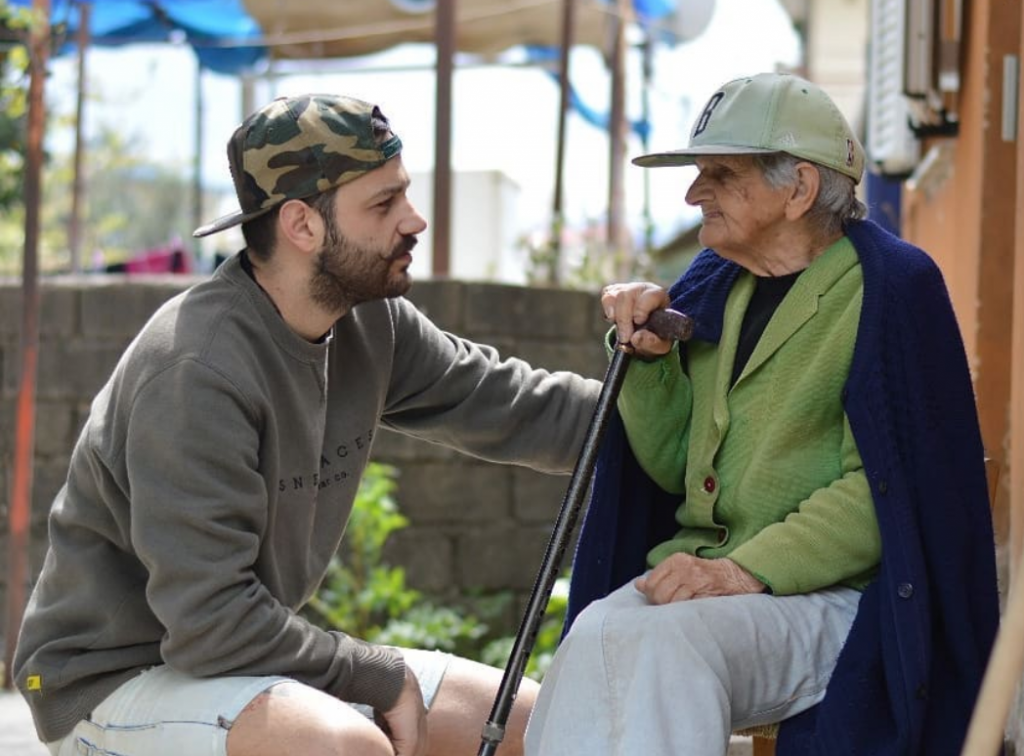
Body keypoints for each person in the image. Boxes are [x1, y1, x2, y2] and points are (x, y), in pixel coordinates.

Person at [13, 94, 602, 756]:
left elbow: (521, 405)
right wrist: (375, 673)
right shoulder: (196, 368)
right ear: (302, 225)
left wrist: (677, 401)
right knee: (345, 749)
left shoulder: (370, 321)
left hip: (236, 664)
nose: (414, 220)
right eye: (383, 205)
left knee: (556, 727)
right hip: (112, 679)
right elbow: (210, 623)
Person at [524, 72, 1001, 755]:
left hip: (839, 602)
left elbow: (886, 493)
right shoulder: (712, 286)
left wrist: (740, 571)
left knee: (662, 649)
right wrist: (649, 363)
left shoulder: (894, 288)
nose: (693, 193)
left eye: (720, 172)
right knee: (593, 638)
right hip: (711, 595)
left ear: (799, 189)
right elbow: (668, 470)